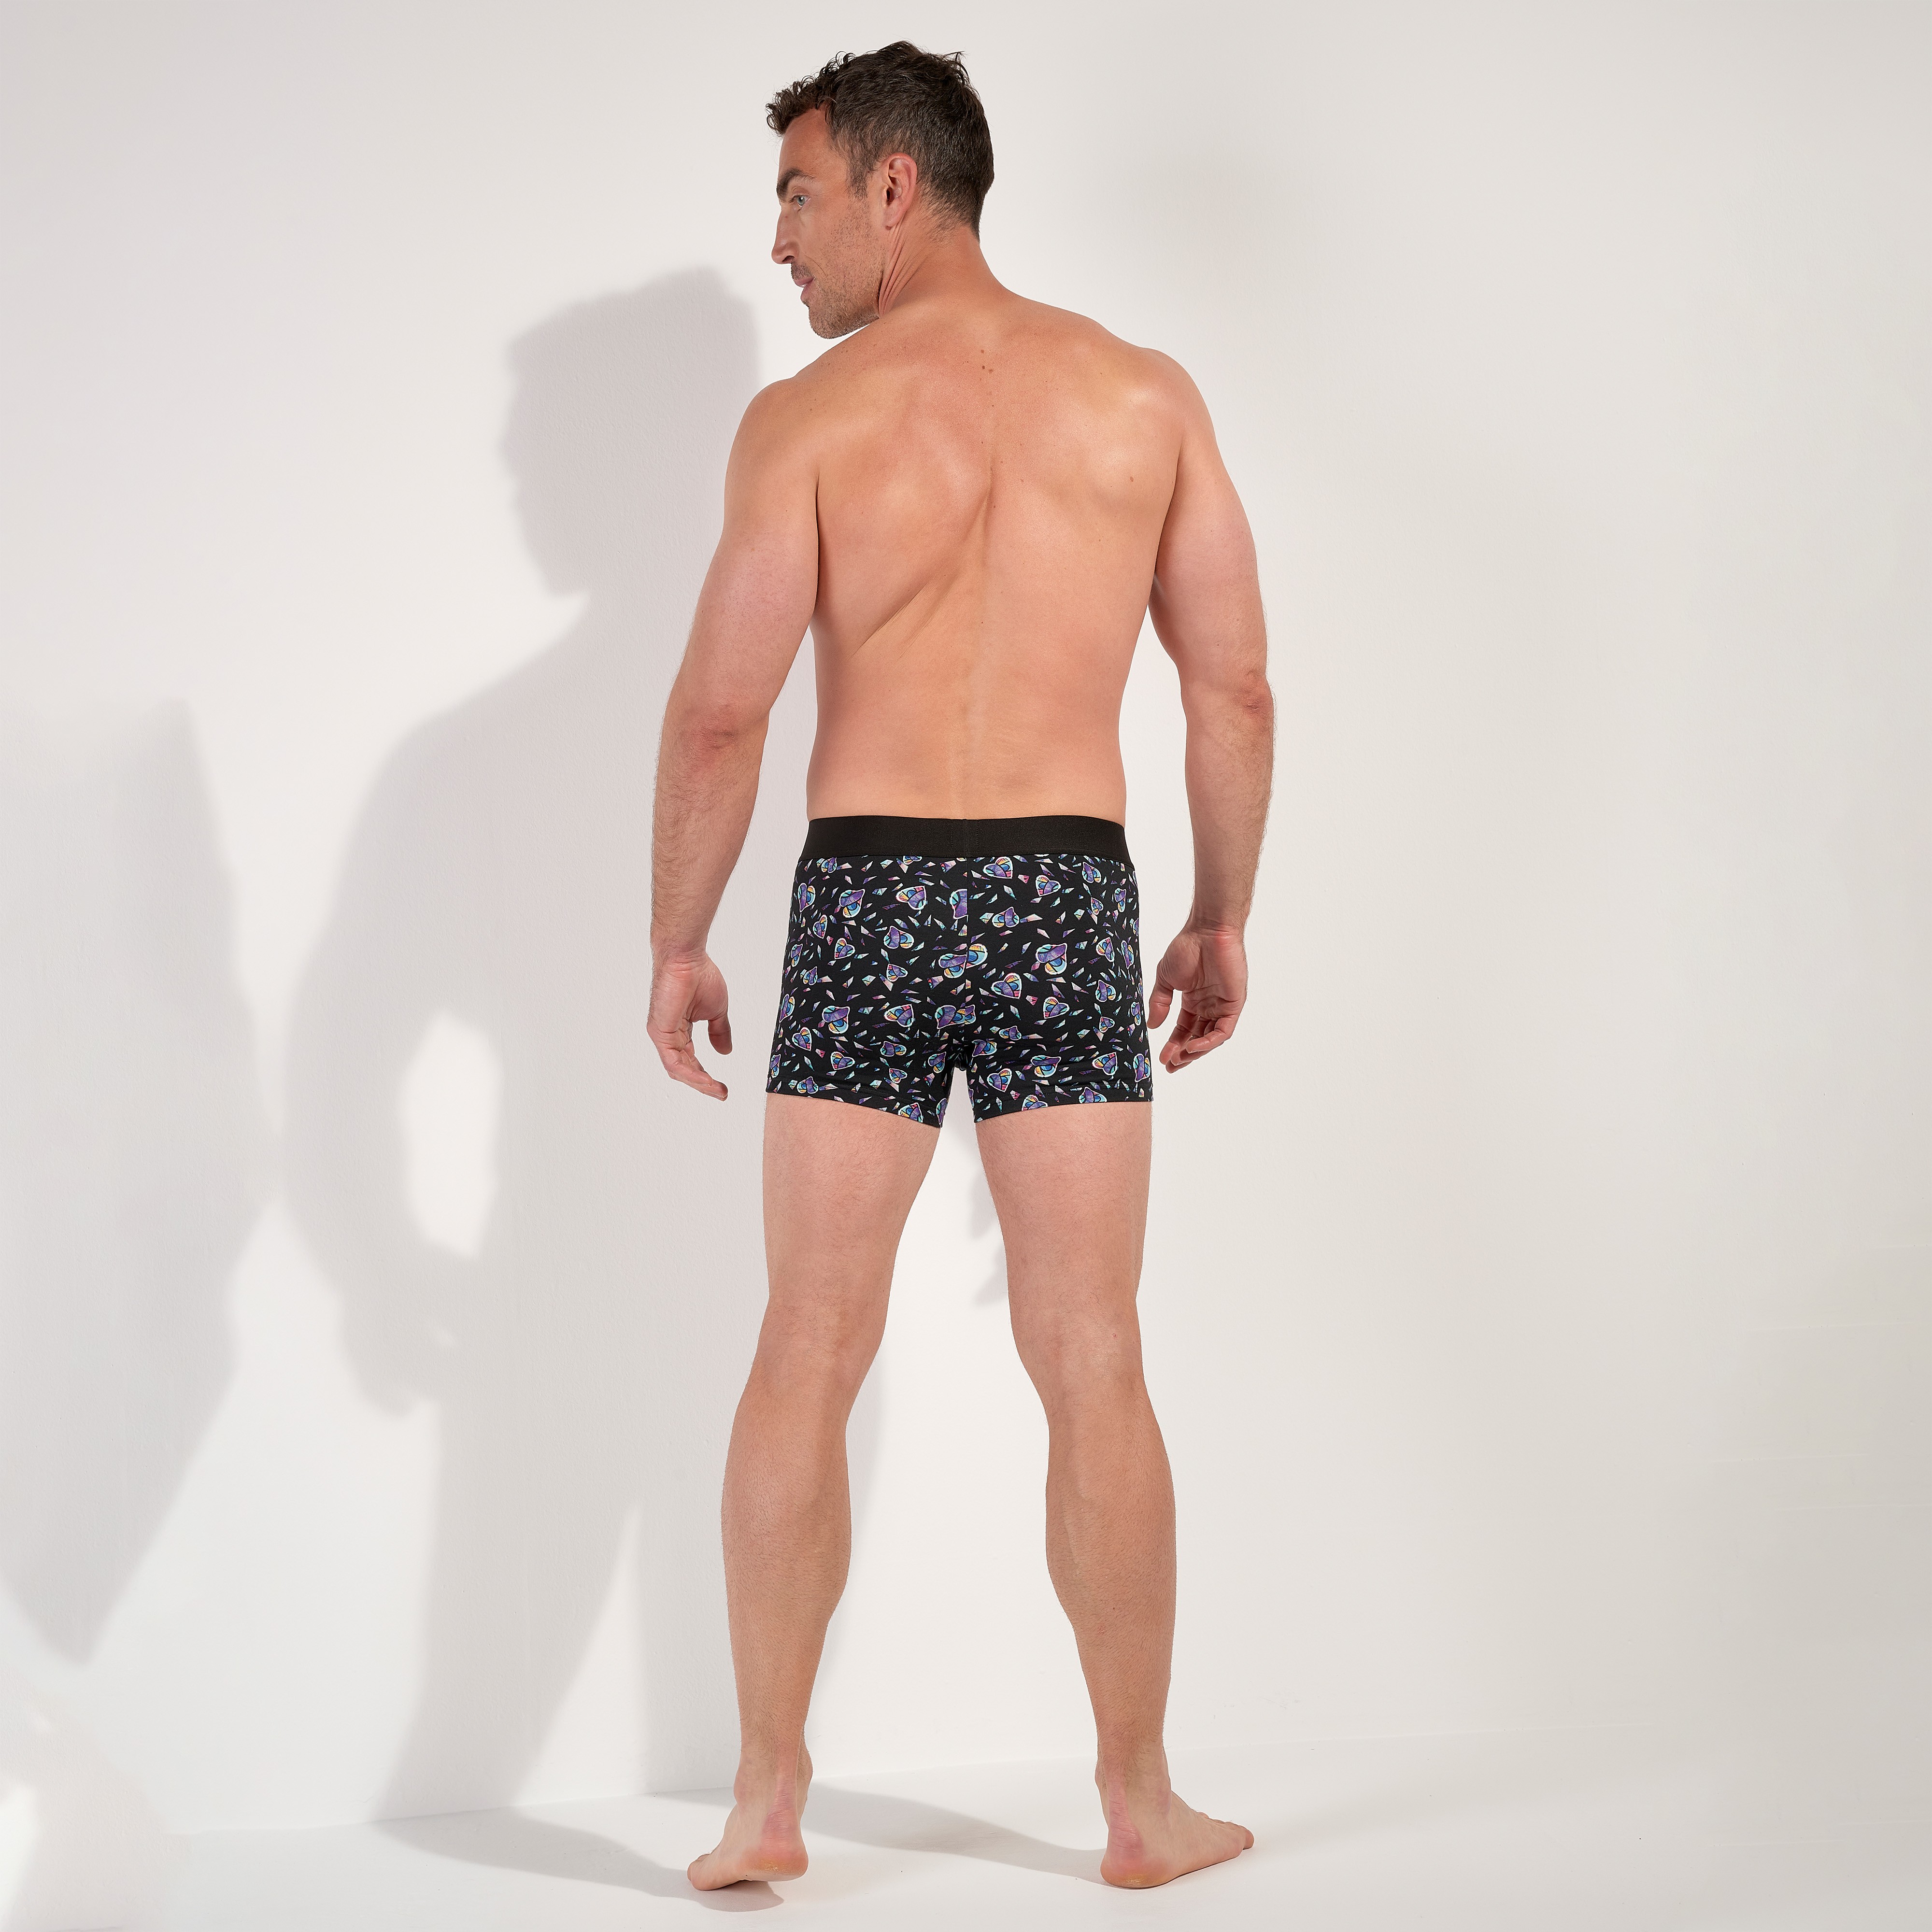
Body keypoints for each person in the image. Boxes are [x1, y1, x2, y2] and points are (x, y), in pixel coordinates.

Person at [647, 42, 1272, 1892]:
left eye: (798, 193)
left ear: (895, 187)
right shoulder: (1143, 397)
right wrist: (1219, 912)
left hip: (870, 895)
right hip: (1064, 894)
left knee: (805, 1346)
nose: (781, 239)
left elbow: (720, 715)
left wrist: (678, 934)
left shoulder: (808, 425)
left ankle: (767, 1802)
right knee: (1094, 1357)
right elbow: (1234, 687)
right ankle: (1142, 1806)